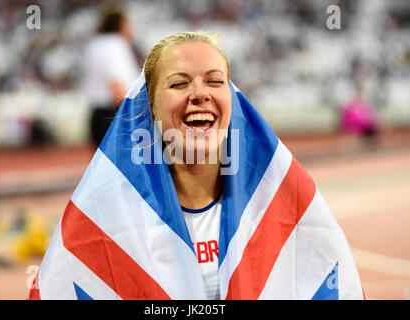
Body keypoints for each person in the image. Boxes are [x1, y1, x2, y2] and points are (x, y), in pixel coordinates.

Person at [29, 31, 364, 300]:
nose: (199, 93)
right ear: (152, 109)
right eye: (178, 83)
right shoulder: (105, 218)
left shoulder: (279, 202)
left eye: (215, 81)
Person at [82, 9, 139, 147]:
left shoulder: (94, 45)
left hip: (96, 112)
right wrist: (132, 114)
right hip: (114, 113)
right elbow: (116, 82)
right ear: (120, 25)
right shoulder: (116, 44)